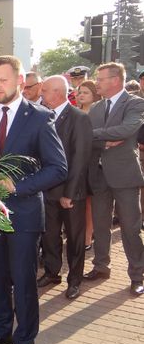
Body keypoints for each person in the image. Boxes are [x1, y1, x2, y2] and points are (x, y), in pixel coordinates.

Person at [0, 55, 67, 344]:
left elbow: (58, 168)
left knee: (23, 283)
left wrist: (18, 186)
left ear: (20, 82)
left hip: (23, 216)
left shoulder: (39, 117)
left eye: (4, 81)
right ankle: (2, 332)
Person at [84, 62, 144, 296]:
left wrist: (97, 136)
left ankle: (137, 275)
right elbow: (87, 137)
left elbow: (128, 129)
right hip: (99, 175)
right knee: (100, 225)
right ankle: (101, 266)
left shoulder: (135, 103)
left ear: (115, 80)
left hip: (125, 175)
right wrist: (104, 139)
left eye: (100, 79)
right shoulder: (97, 108)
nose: (96, 83)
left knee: (130, 227)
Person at [38, 76, 92, 300]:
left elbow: (80, 158)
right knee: (49, 236)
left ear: (58, 92)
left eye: (45, 91)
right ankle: (52, 273)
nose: (41, 95)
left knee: (74, 238)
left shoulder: (78, 118)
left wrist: (69, 193)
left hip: (71, 192)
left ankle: (74, 280)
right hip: (47, 190)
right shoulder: (42, 116)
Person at [75, 80, 100, 250]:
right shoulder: (74, 113)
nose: (81, 95)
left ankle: (87, 237)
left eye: (85, 92)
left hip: (92, 162)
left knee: (89, 203)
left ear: (94, 95)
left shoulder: (98, 114)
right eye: (79, 92)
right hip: (76, 163)